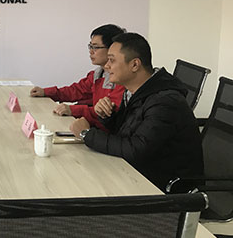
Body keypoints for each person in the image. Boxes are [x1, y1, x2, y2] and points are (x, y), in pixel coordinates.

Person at [69, 33, 204, 191]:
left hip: (165, 189)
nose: (107, 66)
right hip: (138, 174)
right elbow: (128, 133)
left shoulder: (165, 102)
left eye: (112, 60)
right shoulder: (136, 92)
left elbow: (136, 150)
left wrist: (86, 134)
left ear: (134, 65)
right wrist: (107, 117)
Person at [29, 24, 126, 129]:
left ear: (112, 49)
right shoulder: (97, 74)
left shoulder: (123, 79)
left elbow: (107, 111)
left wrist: (73, 110)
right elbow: (76, 90)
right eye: (90, 46)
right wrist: (46, 92)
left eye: (96, 47)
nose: (91, 51)